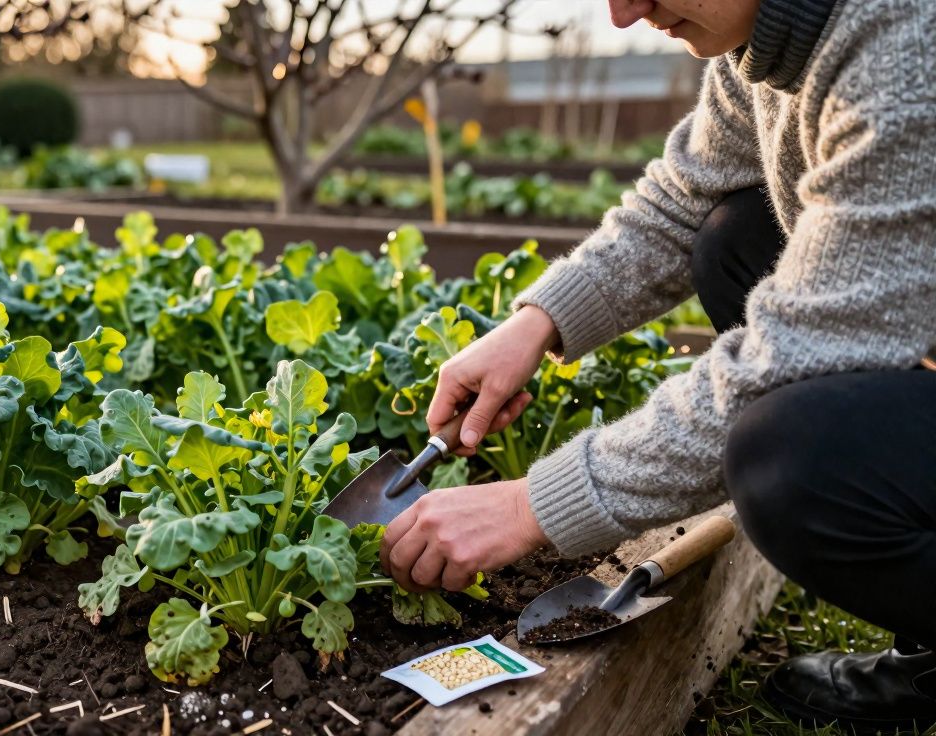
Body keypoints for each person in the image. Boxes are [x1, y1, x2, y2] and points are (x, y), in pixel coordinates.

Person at [378, 0, 936, 729]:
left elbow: (795, 352)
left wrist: (529, 506)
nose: (621, 13)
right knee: (732, 236)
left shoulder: (907, 50)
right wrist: (536, 325)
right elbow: (681, 203)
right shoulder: (767, 48)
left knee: (787, 459)